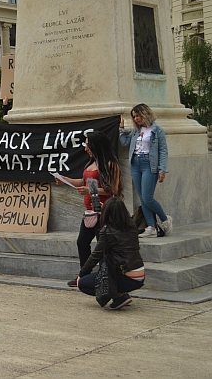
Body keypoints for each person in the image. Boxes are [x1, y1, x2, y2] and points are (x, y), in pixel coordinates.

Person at [55, 131, 122, 288]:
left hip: (103, 211)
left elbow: (114, 189)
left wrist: (91, 190)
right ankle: (84, 275)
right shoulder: (90, 163)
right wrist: (65, 179)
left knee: (102, 246)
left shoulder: (111, 165)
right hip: (89, 211)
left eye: (87, 145)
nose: (85, 148)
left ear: (96, 145)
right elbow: (82, 181)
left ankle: (105, 277)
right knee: (82, 242)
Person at [77, 197, 145, 309]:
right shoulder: (132, 225)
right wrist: (105, 210)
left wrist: (81, 274)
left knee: (83, 283)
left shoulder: (107, 232)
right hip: (139, 274)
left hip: (126, 275)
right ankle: (120, 294)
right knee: (107, 261)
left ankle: (118, 296)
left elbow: (95, 256)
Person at [119, 104, 173, 238]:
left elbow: (163, 151)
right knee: (142, 198)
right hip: (135, 164)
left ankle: (165, 218)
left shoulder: (157, 130)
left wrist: (162, 170)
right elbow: (124, 143)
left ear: (145, 114)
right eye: (134, 117)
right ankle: (151, 227)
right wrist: (121, 129)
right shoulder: (136, 131)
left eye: (138, 115)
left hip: (149, 164)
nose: (136, 119)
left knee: (148, 198)